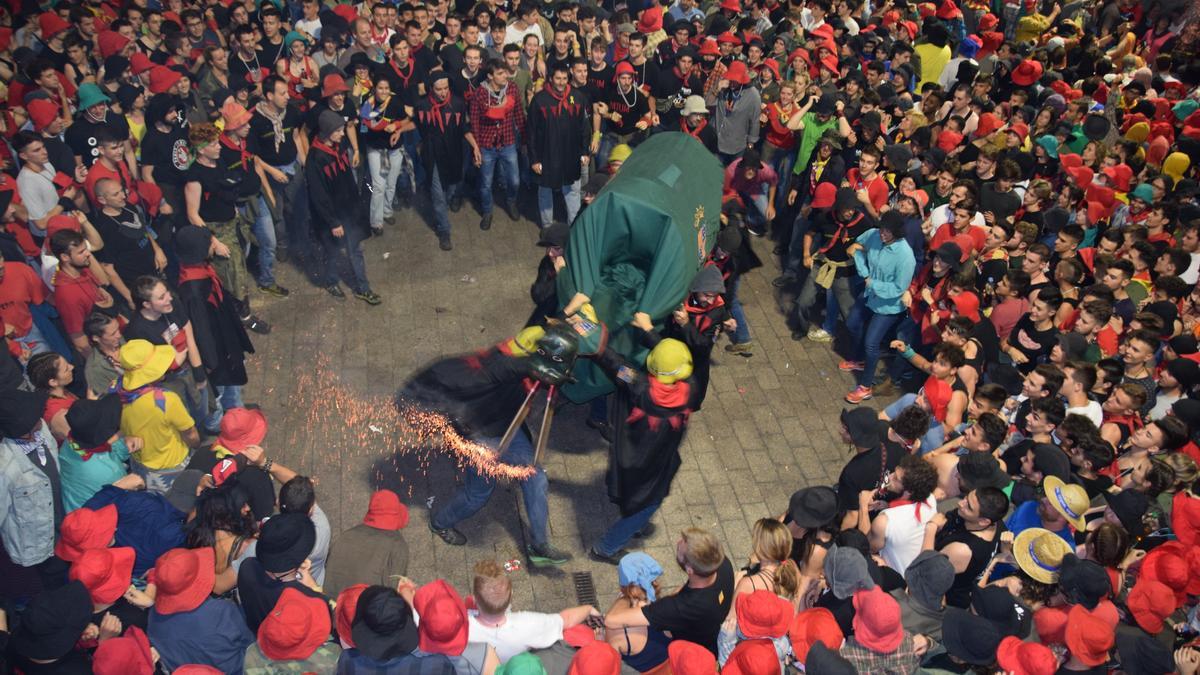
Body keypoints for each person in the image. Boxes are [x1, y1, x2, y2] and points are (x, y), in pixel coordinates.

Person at [603, 527, 735, 656]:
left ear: (689, 569)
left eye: (680, 548)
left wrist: (627, 594)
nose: (678, 542)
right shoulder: (722, 564)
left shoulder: (680, 607)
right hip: (708, 632)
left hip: (689, 651)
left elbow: (610, 620)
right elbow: (686, 590)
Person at [306, 109, 382, 305]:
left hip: (348, 210)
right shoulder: (315, 159)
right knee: (333, 251)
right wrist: (333, 222)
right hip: (332, 217)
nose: (342, 134)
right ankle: (331, 281)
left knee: (355, 249)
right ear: (327, 132)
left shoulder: (338, 147)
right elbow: (319, 196)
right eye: (338, 131)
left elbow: (347, 178)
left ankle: (363, 288)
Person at [413, 70, 480, 250]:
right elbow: (417, 125)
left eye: (445, 88)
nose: (443, 92)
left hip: (453, 153)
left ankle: (447, 198)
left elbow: (464, 127)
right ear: (431, 88)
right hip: (433, 155)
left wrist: (475, 146)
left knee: (451, 187)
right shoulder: (422, 106)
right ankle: (444, 231)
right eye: (438, 89)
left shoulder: (457, 103)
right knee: (438, 196)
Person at [527, 61, 593, 230]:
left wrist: (585, 152)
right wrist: (534, 160)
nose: (562, 82)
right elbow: (532, 133)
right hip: (547, 156)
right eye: (558, 78)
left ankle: (574, 228)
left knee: (572, 191)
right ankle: (547, 228)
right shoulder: (539, 100)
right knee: (545, 192)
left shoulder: (578, 98)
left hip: (571, 156)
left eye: (564, 78)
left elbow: (585, 128)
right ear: (550, 79)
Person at [324, 489, 410, 599]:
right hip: (368, 611)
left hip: (333, 604)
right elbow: (393, 591)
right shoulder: (398, 546)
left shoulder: (346, 536)